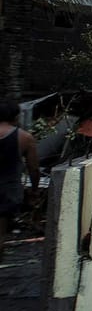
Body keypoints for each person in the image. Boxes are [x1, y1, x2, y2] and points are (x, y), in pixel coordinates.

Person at [0, 100, 41, 237]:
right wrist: (34, 191)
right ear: (15, 116)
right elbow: (34, 169)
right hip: (7, 192)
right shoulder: (24, 137)